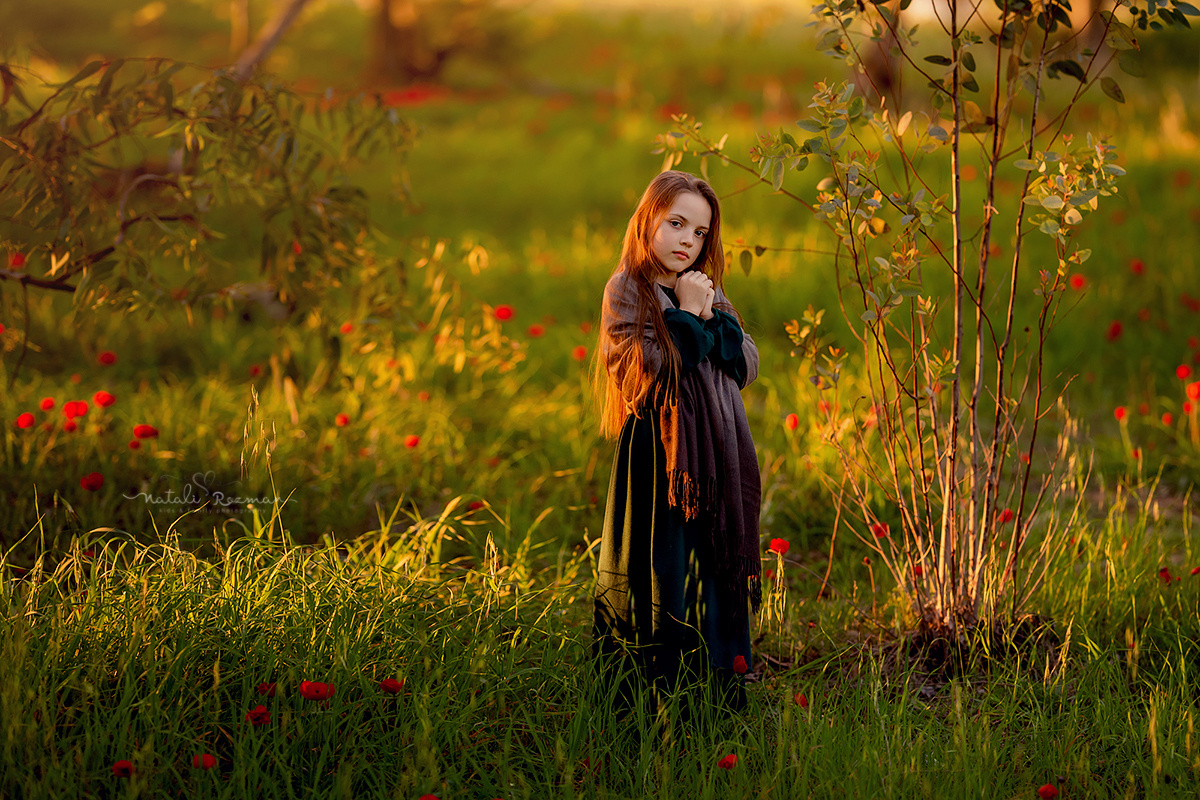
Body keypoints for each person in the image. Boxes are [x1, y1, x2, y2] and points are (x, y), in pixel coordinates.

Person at [592, 170, 761, 711]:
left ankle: (717, 691)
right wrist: (687, 315)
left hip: (716, 456)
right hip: (658, 458)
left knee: (712, 564)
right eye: (677, 223)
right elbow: (646, 372)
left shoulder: (706, 288)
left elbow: (746, 362)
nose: (688, 240)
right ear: (648, 221)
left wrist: (707, 312)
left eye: (700, 232)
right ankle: (656, 695)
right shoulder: (628, 289)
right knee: (663, 567)